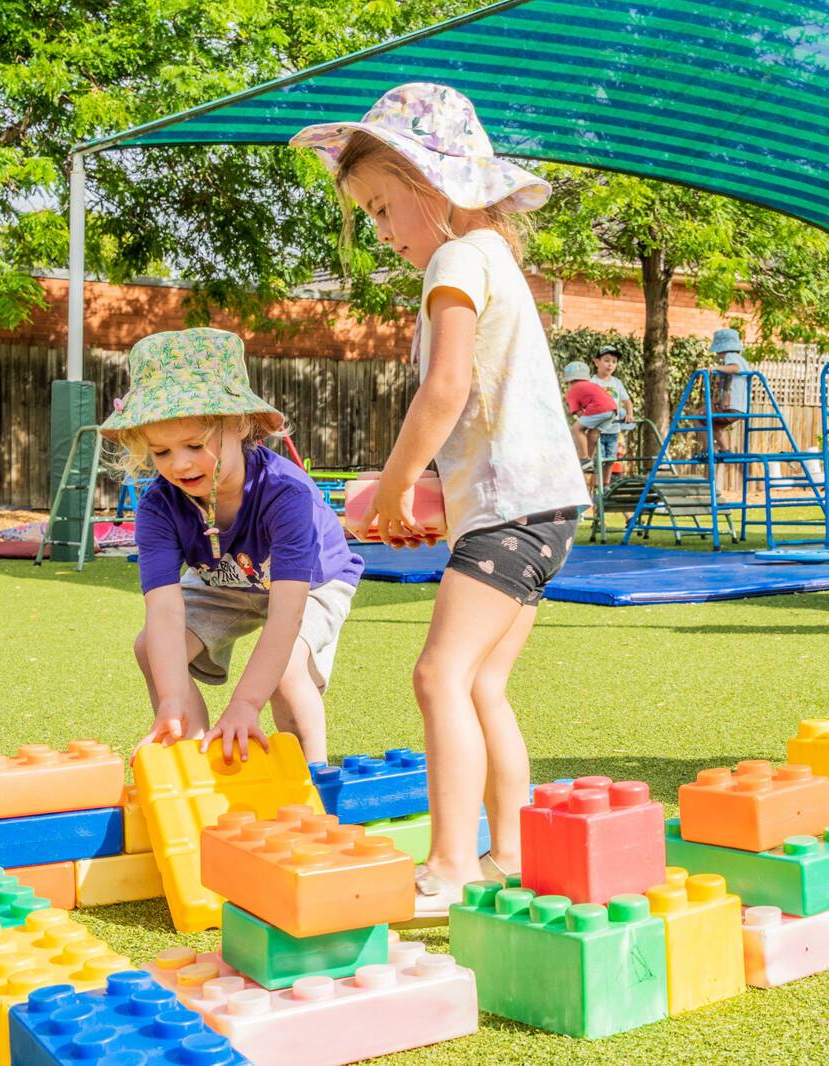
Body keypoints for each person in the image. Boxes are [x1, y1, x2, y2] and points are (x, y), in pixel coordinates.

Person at [293, 82, 589, 916]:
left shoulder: (458, 259)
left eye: (385, 209)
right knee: (482, 683)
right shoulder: (495, 259)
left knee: (439, 676)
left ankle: (453, 864)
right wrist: (442, 509)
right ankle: (509, 851)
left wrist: (392, 485)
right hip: (540, 508)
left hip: (512, 510)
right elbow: (491, 420)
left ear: (434, 184)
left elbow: (448, 390)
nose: (384, 235)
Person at [102, 327, 364, 768]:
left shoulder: (286, 493)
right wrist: (170, 699)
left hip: (314, 582)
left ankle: (312, 780)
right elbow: (165, 610)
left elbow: (287, 613)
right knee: (152, 646)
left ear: (238, 425)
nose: (179, 464)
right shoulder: (159, 508)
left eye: (194, 445)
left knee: (284, 673)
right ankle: (198, 753)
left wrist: (245, 703)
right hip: (224, 580)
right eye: (162, 451)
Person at [561, 360, 618, 485]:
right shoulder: (592, 385)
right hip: (612, 411)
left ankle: (585, 459)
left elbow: (577, 412)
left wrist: (582, 420)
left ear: (569, 381)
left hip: (599, 409)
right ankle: (588, 460)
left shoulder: (571, 391)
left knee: (576, 428)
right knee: (592, 434)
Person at [592, 344, 634, 486]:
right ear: (597, 362)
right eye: (607, 360)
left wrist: (629, 414)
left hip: (614, 429)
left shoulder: (617, 383)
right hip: (598, 429)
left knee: (610, 458)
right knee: (599, 458)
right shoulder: (593, 382)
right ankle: (597, 486)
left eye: (614, 362)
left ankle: (607, 484)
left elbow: (627, 400)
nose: (610, 365)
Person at [707, 328, 751, 453]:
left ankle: (707, 449)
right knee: (716, 424)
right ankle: (725, 450)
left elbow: (735, 369)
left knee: (698, 415)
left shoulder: (730, 356)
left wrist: (715, 368)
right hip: (740, 407)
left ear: (721, 348)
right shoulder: (742, 360)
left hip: (732, 406)